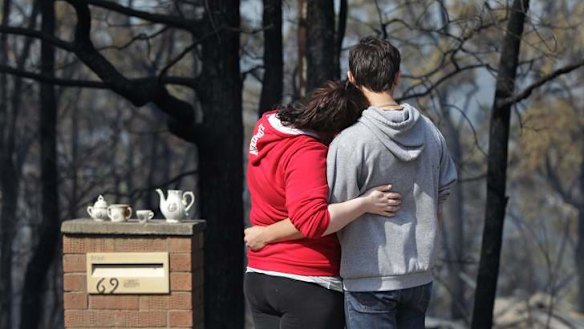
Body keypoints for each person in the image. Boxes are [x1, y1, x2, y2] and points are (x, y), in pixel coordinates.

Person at [246, 36, 458, 329]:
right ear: (398, 76)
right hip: (419, 277)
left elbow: (330, 217)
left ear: (351, 78)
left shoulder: (350, 142)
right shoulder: (431, 132)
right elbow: (443, 190)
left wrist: (267, 234)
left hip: (368, 278)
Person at [244, 80, 402, 329]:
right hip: (305, 281)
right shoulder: (307, 153)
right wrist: (365, 203)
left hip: (260, 276)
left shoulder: (268, 126)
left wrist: (265, 235)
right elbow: (312, 221)